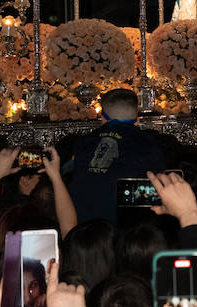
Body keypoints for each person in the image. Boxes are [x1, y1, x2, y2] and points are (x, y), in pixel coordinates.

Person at [67, 88, 165, 224]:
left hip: (84, 225)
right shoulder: (148, 144)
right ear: (137, 120)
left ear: (102, 117)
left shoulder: (84, 142)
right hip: (131, 225)